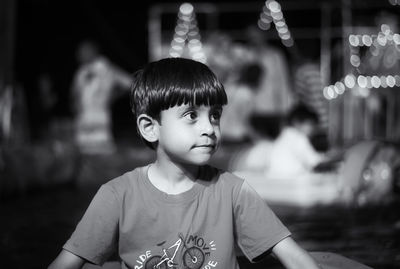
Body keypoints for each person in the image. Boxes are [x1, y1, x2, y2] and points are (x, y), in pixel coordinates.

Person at [48, 58, 321, 269]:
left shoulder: (234, 192)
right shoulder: (117, 196)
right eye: (191, 115)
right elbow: (66, 263)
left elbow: (295, 259)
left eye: (214, 115)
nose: (209, 128)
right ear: (150, 128)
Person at [71, 40, 131, 154]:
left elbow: (129, 84)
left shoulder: (107, 68)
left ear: (93, 52)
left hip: (100, 121)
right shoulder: (81, 72)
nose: (79, 54)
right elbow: (75, 93)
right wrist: (75, 104)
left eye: (83, 51)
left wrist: (113, 97)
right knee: (84, 159)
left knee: (102, 159)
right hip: (83, 122)